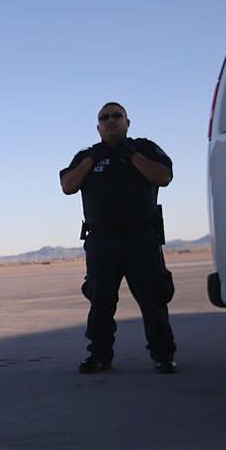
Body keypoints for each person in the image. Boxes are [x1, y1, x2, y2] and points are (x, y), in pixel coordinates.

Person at [60, 102, 178, 374]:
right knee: (100, 301)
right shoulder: (88, 156)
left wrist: (132, 156)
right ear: (98, 127)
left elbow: (163, 177)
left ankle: (164, 355)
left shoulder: (145, 149)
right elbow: (68, 185)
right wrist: (92, 159)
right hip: (102, 242)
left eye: (117, 116)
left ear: (127, 122)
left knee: (153, 299)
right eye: (105, 118)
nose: (111, 121)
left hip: (142, 239)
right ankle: (100, 356)